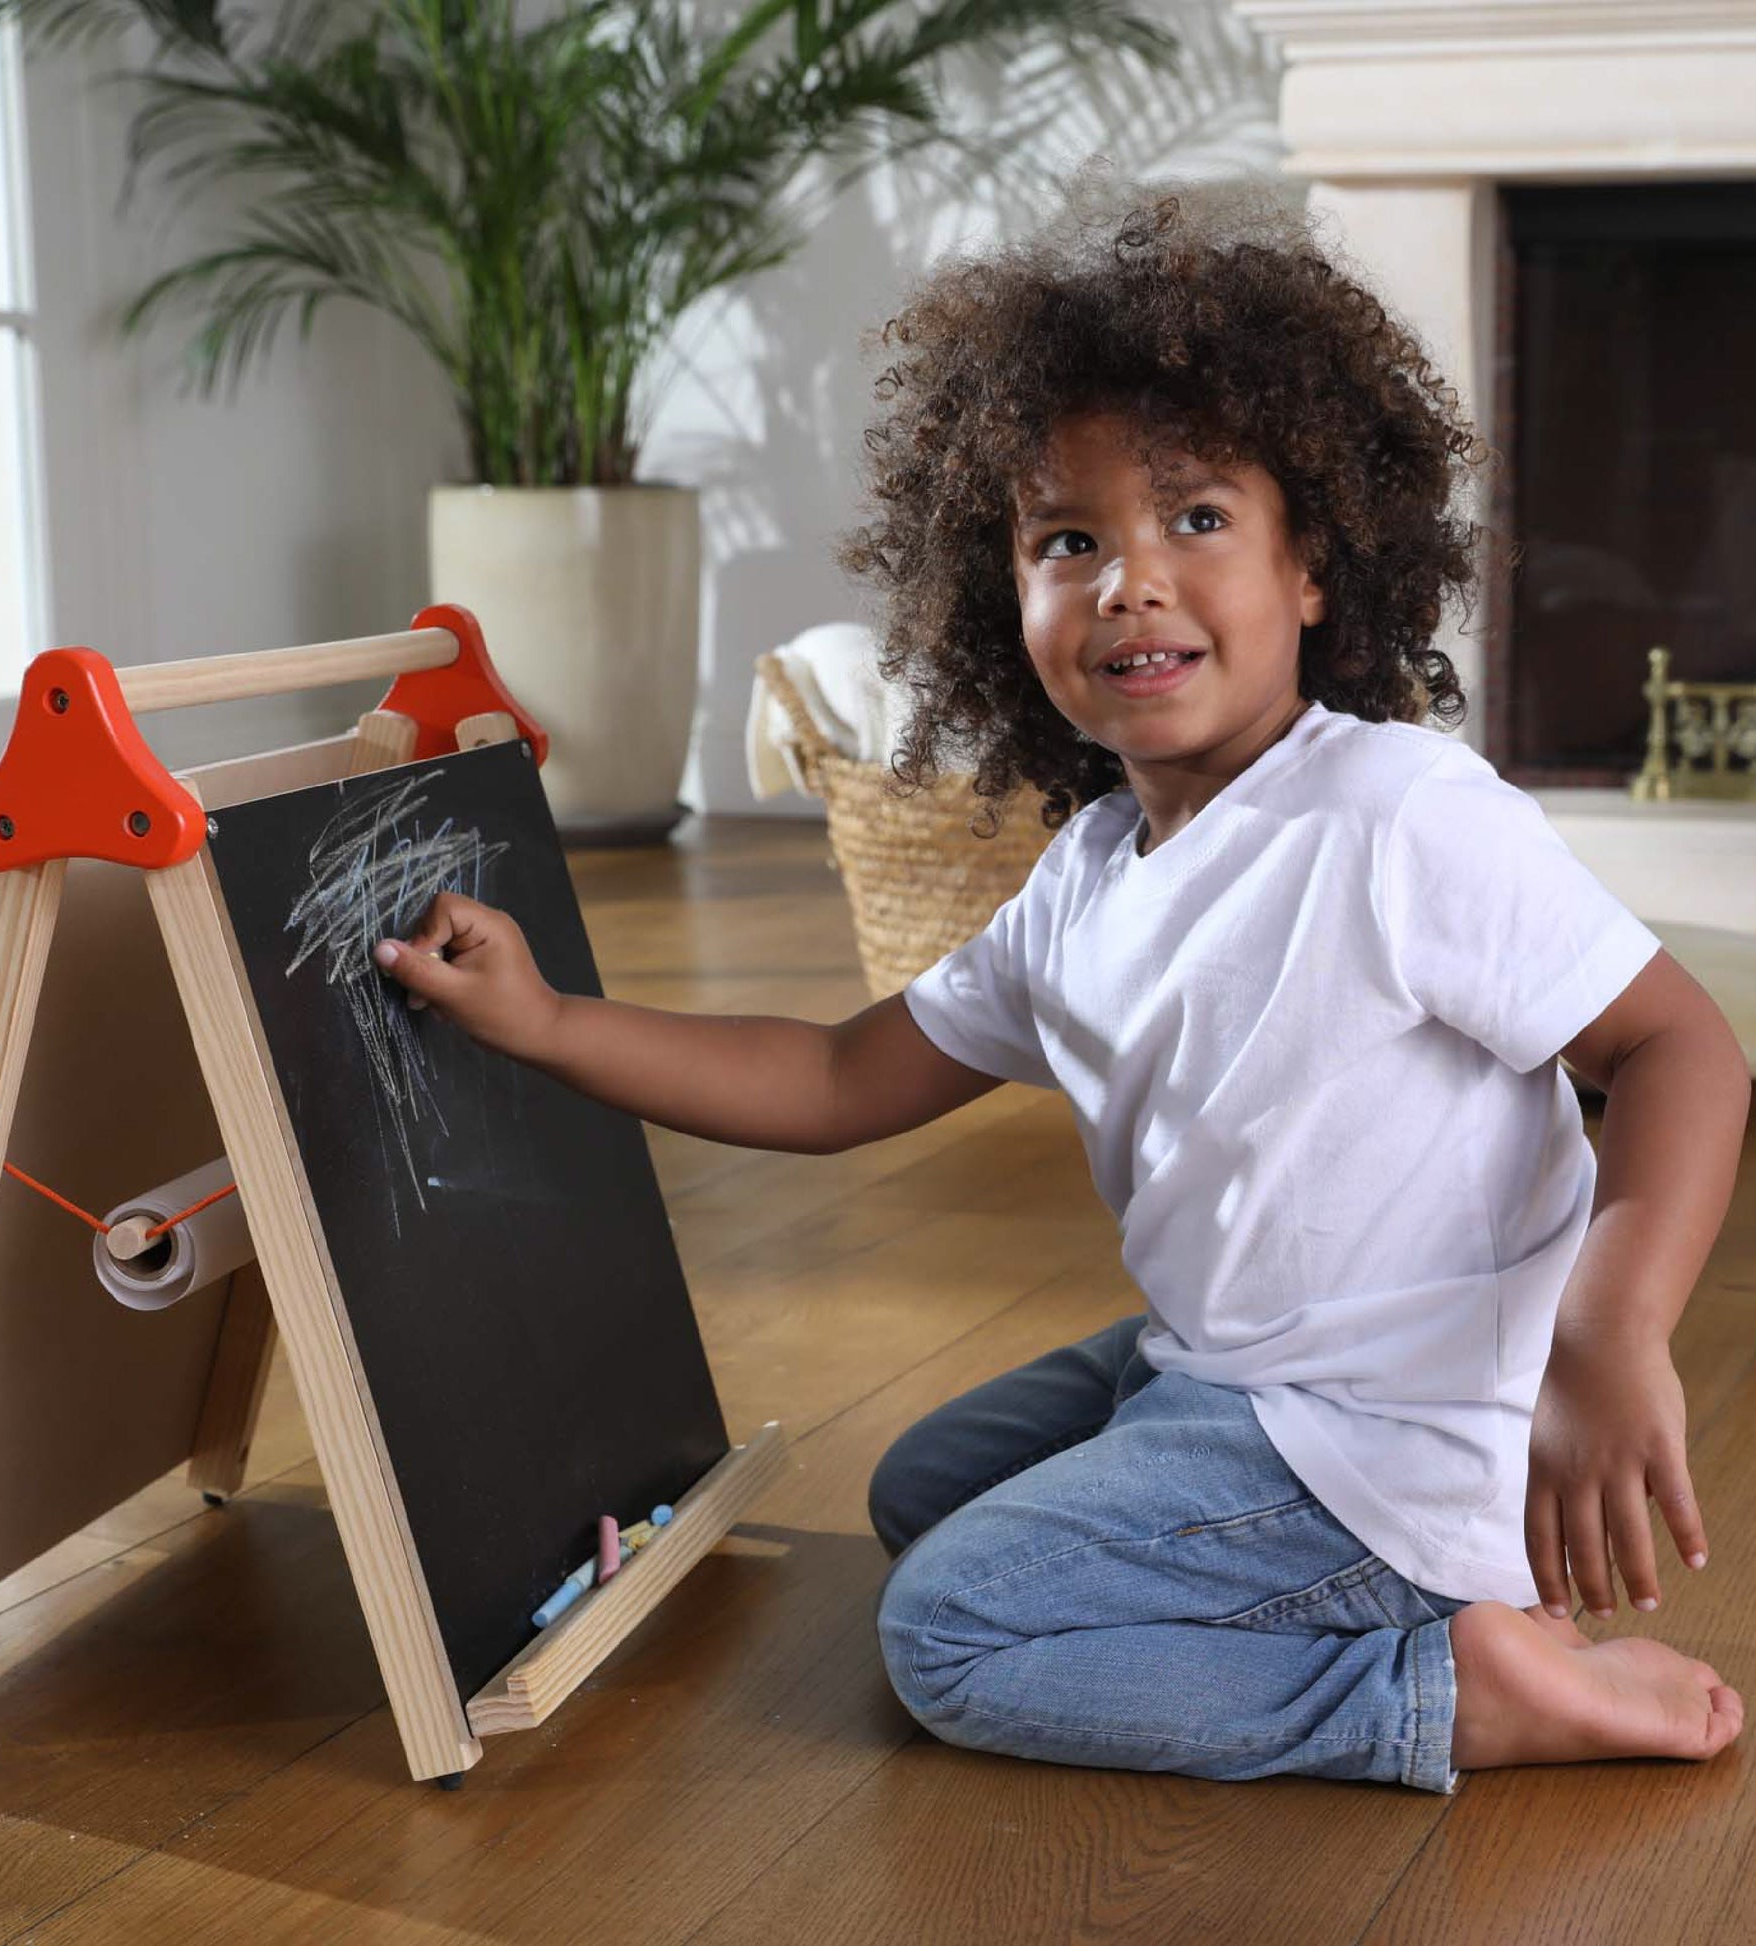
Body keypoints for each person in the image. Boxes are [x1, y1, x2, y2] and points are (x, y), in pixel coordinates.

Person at [373, 179, 1750, 1792]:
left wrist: (1607, 1330)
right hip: (1230, 1369)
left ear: (1315, 565)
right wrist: (546, 1022)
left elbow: (1678, 1045)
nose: (1127, 580)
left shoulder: (1393, 815)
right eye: (1066, 539)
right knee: (921, 1492)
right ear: (1001, 598)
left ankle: (1438, 1688)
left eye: (1194, 520)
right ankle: (1349, 1597)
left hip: (1383, 1435)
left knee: (946, 1630)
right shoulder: (1090, 874)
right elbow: (832, 1078)